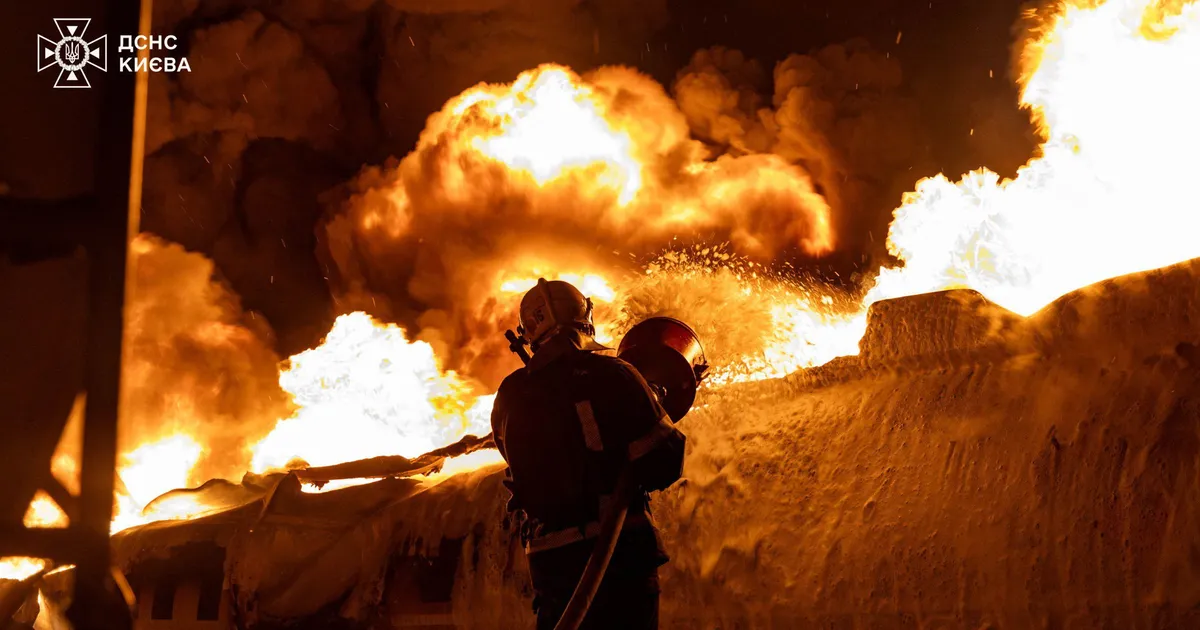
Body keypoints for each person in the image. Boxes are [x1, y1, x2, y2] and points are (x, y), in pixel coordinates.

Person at [491, 278, 686, 630]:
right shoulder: (615, 374)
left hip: (550, 570)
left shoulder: (509, 396)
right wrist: (649, 404)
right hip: (620, 560)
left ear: (529, 334)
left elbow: (519, 460)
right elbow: (664, 461)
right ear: (584, 316)